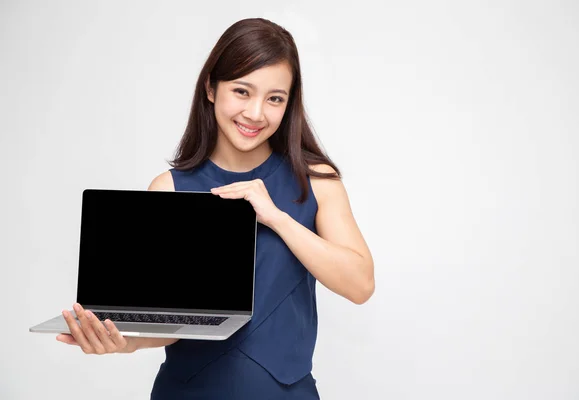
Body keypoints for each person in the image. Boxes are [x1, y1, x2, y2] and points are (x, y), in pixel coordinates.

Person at [57, 17, 375, 399]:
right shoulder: (171, 189)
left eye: (275, 98)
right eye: (242, 91)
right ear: (211, 88)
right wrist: (121, 342)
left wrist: (275, 216)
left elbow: (360, 285)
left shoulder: (315, 180)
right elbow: (166, 323)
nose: (256, 113)